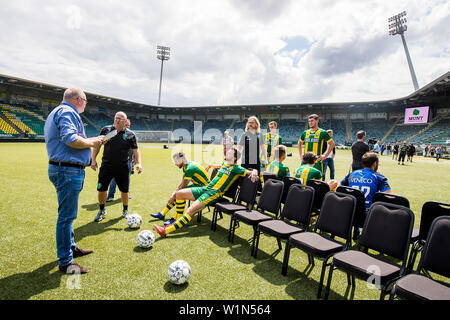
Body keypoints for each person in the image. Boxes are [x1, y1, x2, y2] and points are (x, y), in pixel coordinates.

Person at [45, 88, 104, 274]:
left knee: (68, 215)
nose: (86, 104)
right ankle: (66, 261)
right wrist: (93, 142)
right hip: (67, 170)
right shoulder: (67, 112)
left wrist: (92, 140)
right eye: (86, 100)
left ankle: (70, 249)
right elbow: (70, 139)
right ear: (79, 99)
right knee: (66, 217)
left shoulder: (58, 111)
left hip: (64, 168)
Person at [153, 148, 259, 238]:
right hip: (205, 188)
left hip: (213, 194)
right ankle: (177, 219)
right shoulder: (224, 164)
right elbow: (218, 165)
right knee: (179, 194)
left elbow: (249, 172)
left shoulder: (236, 168)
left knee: (190, 210)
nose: (226, 154)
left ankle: (165, 231)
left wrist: (255, 171)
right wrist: (209, 166)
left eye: (229, 153)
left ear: (234, 158)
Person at [91, 111, 143, 222]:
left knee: (125, 191)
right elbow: (97, 146)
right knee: (101, 189)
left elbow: (136, 150)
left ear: (125, 121)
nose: (117, 120)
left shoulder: (130, 134)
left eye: (120, 118)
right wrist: (93, 160)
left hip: (123, 167)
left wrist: (139, 163)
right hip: (106, 166)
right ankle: (101, 210)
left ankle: (125, 210)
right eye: (116, 117)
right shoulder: (106, 130)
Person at [332, 152, 392, 240]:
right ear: (375, 163)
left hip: (349, 213)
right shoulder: (379, 177)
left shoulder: (352, 174)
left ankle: (356, 231)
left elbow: (339, 189)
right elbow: (388, 195)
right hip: (369, 216)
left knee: (357, 205)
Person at [151, 152, 210, 227]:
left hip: (205, 189)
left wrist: (174, 195)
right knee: (178, 192)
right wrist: (174, 193)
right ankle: (162, 214)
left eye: (176, 162)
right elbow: (182, 183)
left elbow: (183, 186)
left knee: (180, 193)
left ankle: (177, 219)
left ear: (181, 160)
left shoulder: (190, 168)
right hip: (198, 185)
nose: (175, 164)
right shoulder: (186, 166)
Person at [106, 119, 134, 201]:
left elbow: (134, 148)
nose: (127, 128)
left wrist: (134, 158)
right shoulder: (115, 134)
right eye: (126, 126)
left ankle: (126, 193)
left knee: (127, 179)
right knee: (114, 179)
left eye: (128, 126)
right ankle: (111, 195)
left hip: (128, 161)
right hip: (116, 162)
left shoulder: (131, 135)